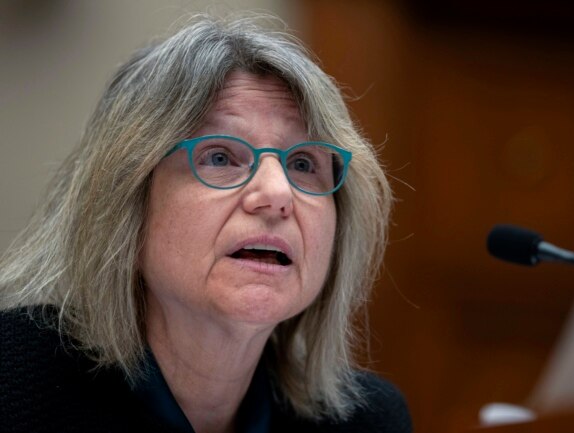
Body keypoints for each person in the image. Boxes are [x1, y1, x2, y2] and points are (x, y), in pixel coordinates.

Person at [0, 13, 410, 433]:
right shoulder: (12, 385)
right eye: (219, 157)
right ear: (127, 203)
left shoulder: (366, 422)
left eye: (304, 164)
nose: (278, 194)